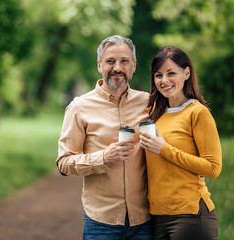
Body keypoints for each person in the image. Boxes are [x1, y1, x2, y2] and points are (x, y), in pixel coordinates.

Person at [56, 35, 153, 239]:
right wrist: (102, 158)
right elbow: (64, 163)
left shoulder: (148, 103)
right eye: (110, 61)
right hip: (102, 223)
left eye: (124, 61)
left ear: (134, 65)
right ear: (99, 65)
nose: (117, 67)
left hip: (145, 220)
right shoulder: (79, 107)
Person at [139, 46, 222, 240]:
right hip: (157, 217)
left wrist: (165, 149)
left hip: (190, 216)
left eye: (171, 73)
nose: (164, 80)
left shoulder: (197, 113)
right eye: (158, 75)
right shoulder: (154, 114)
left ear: (186, 73)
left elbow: (213, 167)